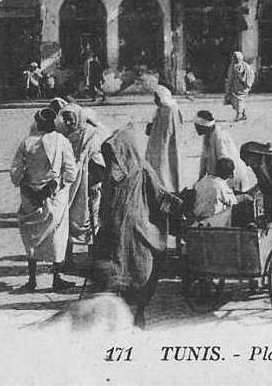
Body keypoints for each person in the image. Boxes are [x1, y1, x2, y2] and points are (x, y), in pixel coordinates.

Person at [91, 124, 182, 327]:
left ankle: (140, 311)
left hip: (138, 232)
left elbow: (159, 195)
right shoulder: (111, 176)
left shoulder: (142, 170)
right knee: (116, 272)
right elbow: (105, 201)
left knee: (140, 271)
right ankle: (117, 313)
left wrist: (176, 205)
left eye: (115, 156)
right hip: (115, 232)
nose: (112, 162)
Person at [10, 108, 79, 292]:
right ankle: (57, 279)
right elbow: (71, 172)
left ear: (38, 123)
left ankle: (32, 280)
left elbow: (16, 173)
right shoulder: (62, 141)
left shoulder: (27, 142)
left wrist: (29, 187)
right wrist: (56, 185)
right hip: (54, 197)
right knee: (56, 235)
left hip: (30, 198)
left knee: (31, 236)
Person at [58, 103, 107, 267]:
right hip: (72, 184)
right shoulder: (65, 135)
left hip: (91, 181)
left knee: (93, 219)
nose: (68, 123)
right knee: (69, 218)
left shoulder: (90, 134)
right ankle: (68, 257)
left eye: (71, 119)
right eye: (66, 120)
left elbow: (97, 161)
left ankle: (94, 256)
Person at [194, 109, 254, 192]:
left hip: (231, 177)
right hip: (220, 177)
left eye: (197, 127)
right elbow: (204, 160)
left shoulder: (219, 137)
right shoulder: (207, 135)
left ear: (205, 127)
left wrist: (218, 184)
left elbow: (224, 166)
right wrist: (200, 180)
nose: (196, 129)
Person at [145, 85, 182, 192]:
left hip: (167, 146)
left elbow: (171, 132)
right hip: (157, 146)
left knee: (167, 169)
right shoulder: (159, 110)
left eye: (156, 98)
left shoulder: (172, 110)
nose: (154, 100)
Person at [191, 157, 240, 221]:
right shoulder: (223, 186)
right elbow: (233, 204)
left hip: (198, 220)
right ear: (229, 174)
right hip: (215, 221)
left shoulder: (201, 181)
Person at [224, 51, 256, 122]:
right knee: (237, 101)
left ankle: (238, 115)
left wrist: (247, 83)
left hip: (242, 88)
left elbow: (251, 75)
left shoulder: (245, 66)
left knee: (238, 101)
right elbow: (230, 77)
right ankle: (243, 114)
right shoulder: (233, 66)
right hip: (236, 88)